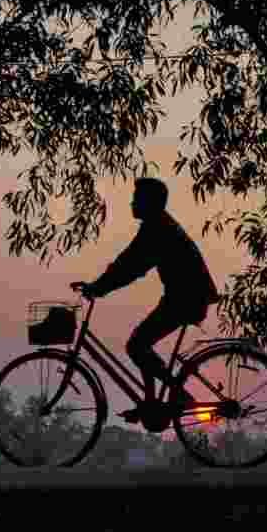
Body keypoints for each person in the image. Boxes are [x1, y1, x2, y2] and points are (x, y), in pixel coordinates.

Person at [78, 178, 218, 422]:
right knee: (139, 344)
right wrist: (100, 286)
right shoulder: (158, 225)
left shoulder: (158, 229)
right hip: (183, 296)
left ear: (149, 203)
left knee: (137, 345)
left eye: (137, 198)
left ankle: (177, 395)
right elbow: (128, 263)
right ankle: (151, 403)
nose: (132, 203)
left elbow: (129, 267)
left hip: (186, 299)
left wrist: (98, 288)